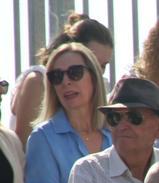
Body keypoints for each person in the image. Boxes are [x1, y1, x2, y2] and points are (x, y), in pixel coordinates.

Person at [25, 43, 111, 183]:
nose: (65, 82)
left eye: (75, 73)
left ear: (94, 77)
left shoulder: (116, 131)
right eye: (56, 76)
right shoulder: (42, 137)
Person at [10, 14, 113, 145]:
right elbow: (24, 145)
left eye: (102, 66)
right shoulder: (38, 81)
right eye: (92, 62)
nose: (97, 72)